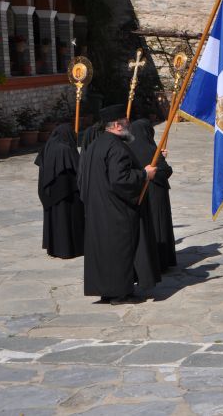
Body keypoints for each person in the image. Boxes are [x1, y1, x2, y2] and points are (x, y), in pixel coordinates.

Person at [77, 104, 158, 304]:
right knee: (119, 250)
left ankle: (108, 291)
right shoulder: (117, 148)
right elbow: (120, 179)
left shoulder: (96, 144)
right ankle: (120, 292)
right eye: (126, 122)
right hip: (116, 210)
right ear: (117, 125)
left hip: (97, 208)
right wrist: (144, 174)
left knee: (104, 251)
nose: (128, 126)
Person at [128, 119, 177, 271]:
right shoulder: (151, 150)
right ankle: (161, 260)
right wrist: (161, 159)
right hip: (156, 194)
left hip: (138, 194)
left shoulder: (127, 148)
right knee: (159, 224)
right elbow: (166, 171)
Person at [35, 123, 85, 259]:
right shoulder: (66, 150)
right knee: (67, 222)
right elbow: (79, 170)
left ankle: (54, 249)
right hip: (68, 193)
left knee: (55, 221)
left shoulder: (46, 148)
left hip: (51, 194)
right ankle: (69, 249)